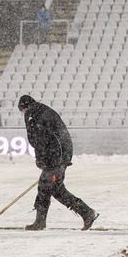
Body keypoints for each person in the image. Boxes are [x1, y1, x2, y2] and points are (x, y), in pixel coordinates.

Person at [18, 95, 97, 231]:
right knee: (49, 186)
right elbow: (46, 136)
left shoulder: (31, 114)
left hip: (56, 156)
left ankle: (86, 212)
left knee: (50, 187)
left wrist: (42, 159)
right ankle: (41, 221)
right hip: (61, 153)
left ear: (23, 108)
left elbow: (38, 139)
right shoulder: (41, 110)